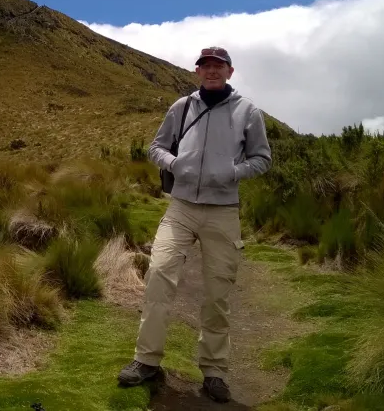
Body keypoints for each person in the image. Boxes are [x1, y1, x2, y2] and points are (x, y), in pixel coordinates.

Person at [116, 46, 272, 403]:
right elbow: (156, 148)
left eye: (219, 66)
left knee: (217, 292)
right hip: (181, 208)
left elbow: (262, 158)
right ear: (197, 72)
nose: (212, 71)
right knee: (159, 275)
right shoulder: (182, 107)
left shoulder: (248, 112)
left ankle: (214, 371)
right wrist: (174, 164)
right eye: (206, 66)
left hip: (223, 211)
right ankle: (146, 360)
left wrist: (232, 172)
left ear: (230, 72)